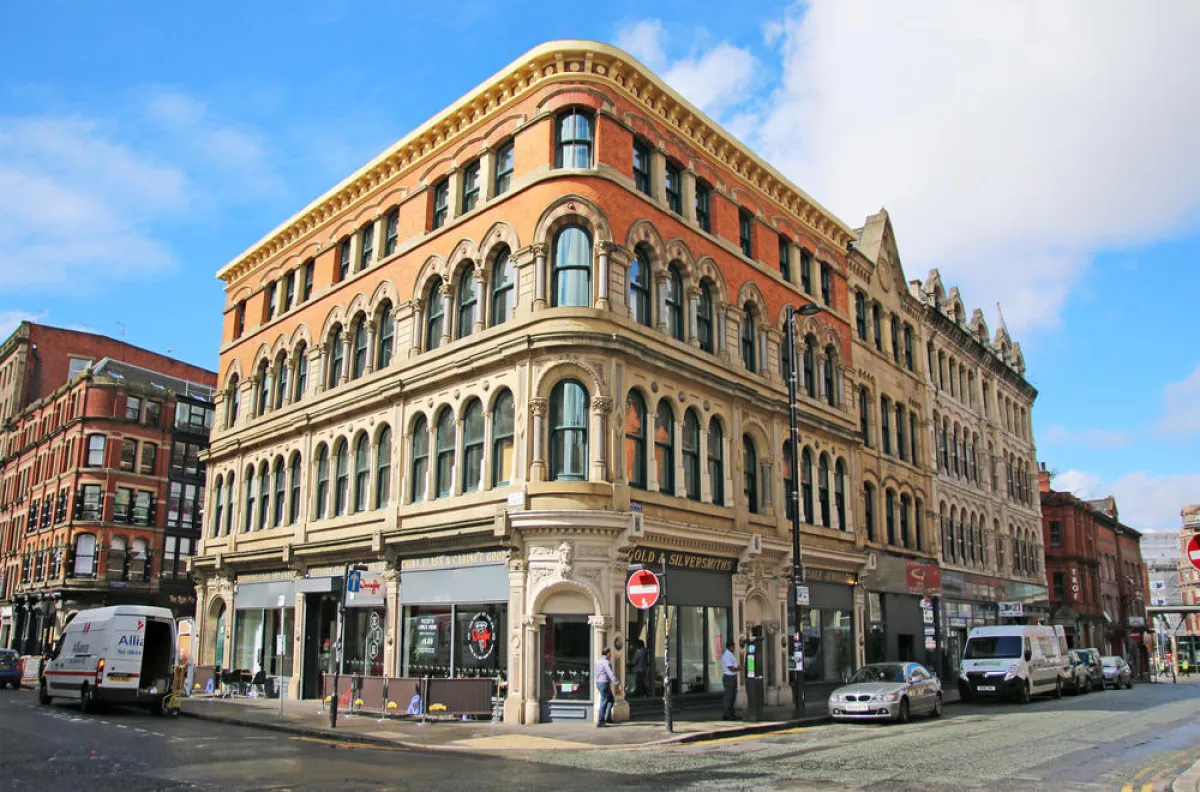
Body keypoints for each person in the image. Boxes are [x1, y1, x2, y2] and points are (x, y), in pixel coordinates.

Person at [594, 647, 620, 728]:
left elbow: (596, 673)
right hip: (604, 683)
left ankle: (607, 718)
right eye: (610, 653)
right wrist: (617, 684)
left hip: (599, 683)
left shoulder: (598, 661)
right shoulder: (606, 662)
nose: (611, 654)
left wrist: (597, 681)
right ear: (607, 654)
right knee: (604, 702)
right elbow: (610, 673)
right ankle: (600, 722)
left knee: (611, 700)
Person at [721, 640, 740, 720]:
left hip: (731, 677)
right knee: (729, 696)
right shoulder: (727, 655)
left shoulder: (730, 654)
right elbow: (730, 667)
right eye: (733, 647)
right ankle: (727, 714)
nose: (734, 648)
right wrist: (738, 668)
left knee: (732, 696)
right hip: (729, 677)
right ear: (730, 647)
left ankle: (731, 714)